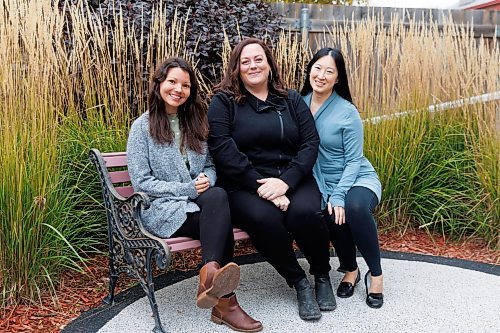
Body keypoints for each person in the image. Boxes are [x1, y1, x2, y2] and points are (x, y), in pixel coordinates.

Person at [127, 57, 263, 332]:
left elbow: (211, 165)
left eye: (185, 85)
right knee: (219, 221)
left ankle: (210, 273)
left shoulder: (196, 123)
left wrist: (207, 179)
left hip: (200, 201)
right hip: (163, 209)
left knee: (217, 195)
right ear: (159, 84)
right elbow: (141, 183)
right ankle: (226, 304)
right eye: (172, 82)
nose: (178, 89)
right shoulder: (141, 128)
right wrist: (186, 189)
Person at [207, 38, 336, 321]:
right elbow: (223, 149)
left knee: (305, 212)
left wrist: (285, 183)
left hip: (292, 177)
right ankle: (299, 282)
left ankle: (321, 275)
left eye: (258, 59)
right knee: (264, 218)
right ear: (236, 68)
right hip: (243, 183)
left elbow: (310, 143)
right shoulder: (223, 102)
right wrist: (262, 186)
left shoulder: (289, 99)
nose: (253, 66)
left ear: (269, 64)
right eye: (245, 61)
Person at [301, 47, 384, 309]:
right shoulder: (298, 103)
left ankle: (376, 274)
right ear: (309, 70)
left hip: (356, 178)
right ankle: (350, 269)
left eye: (329, 71)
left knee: (353, 207)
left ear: (338, 78)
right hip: (320, 182)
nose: (321, 75)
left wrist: (338, 193)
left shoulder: (347, 112)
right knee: (329, 214)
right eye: (317, 68)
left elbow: (354, 160)